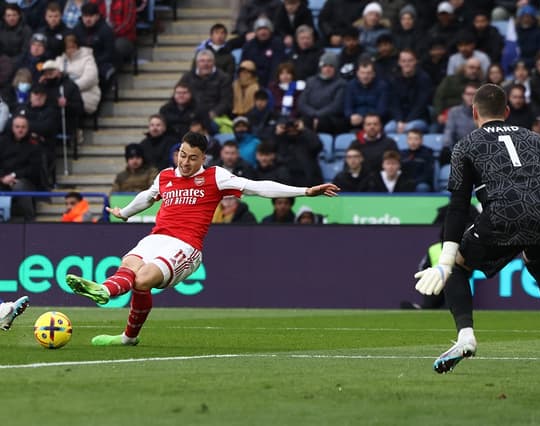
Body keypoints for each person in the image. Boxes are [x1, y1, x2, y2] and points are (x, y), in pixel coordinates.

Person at [65, 131, 339, 346]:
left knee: (143, 279)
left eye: (191, 157)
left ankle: (108, 295)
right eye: (182, 155)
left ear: (203, 158)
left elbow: (258, 187)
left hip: (186, 246)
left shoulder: (215, 176)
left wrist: (305, 191)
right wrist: (124, 213)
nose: (185, 162)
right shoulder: (165, 176)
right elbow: (146, 197)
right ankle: (119, 318)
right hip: (157, 237)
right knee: (129, 263)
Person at [414, 83, 540, 374]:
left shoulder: (466, 144)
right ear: (507, 111)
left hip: (503, 214)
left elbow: (459, 204)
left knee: (459, 267)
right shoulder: (536, 139)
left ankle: (466, 337)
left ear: (474, 112)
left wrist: (445, 260)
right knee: (538, 263)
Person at [54, 34, 101, 114]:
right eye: (68, 48)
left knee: (69, 105)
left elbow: (90, 78)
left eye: (73, 47)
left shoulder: (87, 58)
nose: (70, 50)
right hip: (65, 94)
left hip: (87, 93)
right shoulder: (60, 60)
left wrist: (70, 89)